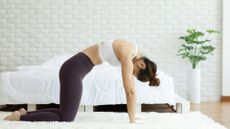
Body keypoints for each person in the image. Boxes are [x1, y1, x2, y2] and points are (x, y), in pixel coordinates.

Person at [3, 39, 160, 123]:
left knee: (66, 112)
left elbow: (133, 84)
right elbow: (130, 92)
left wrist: (152, 75)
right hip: (73, 70)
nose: (130, 73)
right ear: (141, 64)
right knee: (66, 118)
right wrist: (132, 120)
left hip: (74, 69)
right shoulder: (128, 52)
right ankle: (20, 118)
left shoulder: (134, 51)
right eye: (134, 72)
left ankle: (25, 113)